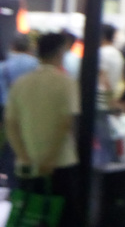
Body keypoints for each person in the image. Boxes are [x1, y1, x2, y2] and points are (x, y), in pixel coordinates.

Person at [5, 33, 81, 227]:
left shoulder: (21, 83)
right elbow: (65, 124)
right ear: (60, 52)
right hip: (61, 163)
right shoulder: (66, 83)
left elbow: (10, 124)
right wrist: (50, 158)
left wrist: (23, 155)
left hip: (27, 165)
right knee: (61, 217)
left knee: (30, 215)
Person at [0, 35, 40, 187]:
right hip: (30, 110)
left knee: (8, 143)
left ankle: (7, 177)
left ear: (13, 46)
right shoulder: (36, 65)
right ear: (29, 48)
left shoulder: (4, 66)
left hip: (7, 109)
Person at [96, 23, 125, 165]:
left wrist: (109, 97)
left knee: (102, 136)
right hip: (111, 98)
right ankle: (112, 161)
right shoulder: (118, 54)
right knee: (107, 134)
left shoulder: (101, 53)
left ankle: (107, 164)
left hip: (100, 100)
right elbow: (121, 80)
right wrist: (115, 99)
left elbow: (103, 77)